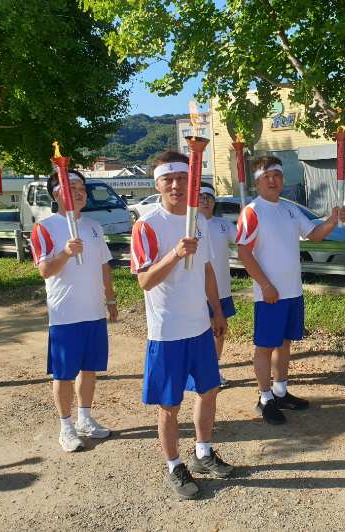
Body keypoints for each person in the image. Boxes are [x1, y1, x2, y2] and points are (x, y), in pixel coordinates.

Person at [131, 151, 234, 501]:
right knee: (169, 405)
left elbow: (206, 270)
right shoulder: (146, 225)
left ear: (191, 181)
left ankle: (203, 452)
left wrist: (216, 311)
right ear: (157, 184)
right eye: (167, 180)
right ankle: (174, 466)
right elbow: (145, 281)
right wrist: (174, 253)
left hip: (200, 328)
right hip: (167, 332)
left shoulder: (200, 221)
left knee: (209, 391)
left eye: (181, 179)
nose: (175, 185)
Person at [236, 156, 345, 425]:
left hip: (292, 292)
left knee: (284, 344)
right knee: (265, 347)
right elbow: (244, 253)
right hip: (270, 294)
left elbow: (315, 234)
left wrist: (332, 220)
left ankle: (281, 392)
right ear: (258, 181)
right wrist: (265, 285)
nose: (272, 181)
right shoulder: (252, 211)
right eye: (266, 177)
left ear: (282, 179)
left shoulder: (290, 209)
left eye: (277, 175)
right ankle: (264, 400)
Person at [30, 170, 118, 453]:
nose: (80, 192)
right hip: (65, 313)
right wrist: (66, 253)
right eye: (72, 188)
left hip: (93, 310)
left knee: (89, 368)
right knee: (64, 373)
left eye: (82, 187)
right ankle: (66, 427)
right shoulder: (45, 228)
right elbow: (45, 270)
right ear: (56, 194)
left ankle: (85, 419)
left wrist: (111, 299)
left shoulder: (94, 226)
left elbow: (104, 264)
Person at [197, 183, 238, 387]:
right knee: (199, 332)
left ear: (214, 202)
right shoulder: (188, 225)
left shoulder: (223, 225)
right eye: (201, 197)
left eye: (209, 198)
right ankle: (199, 370)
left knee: (219, 330)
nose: (205, 201)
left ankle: (214, 369)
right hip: (195, 291)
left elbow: (244, 237)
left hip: (221, 288)